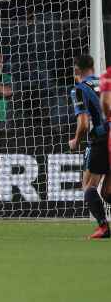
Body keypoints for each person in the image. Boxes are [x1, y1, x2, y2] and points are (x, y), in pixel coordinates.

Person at [70, 55, 110, 239]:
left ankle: (103, 227)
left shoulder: (79, 89)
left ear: (76, 70)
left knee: (88, 186)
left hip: (101, 139)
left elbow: (84, 124)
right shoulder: (106, 82)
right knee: (108, 191)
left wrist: (75, 141)